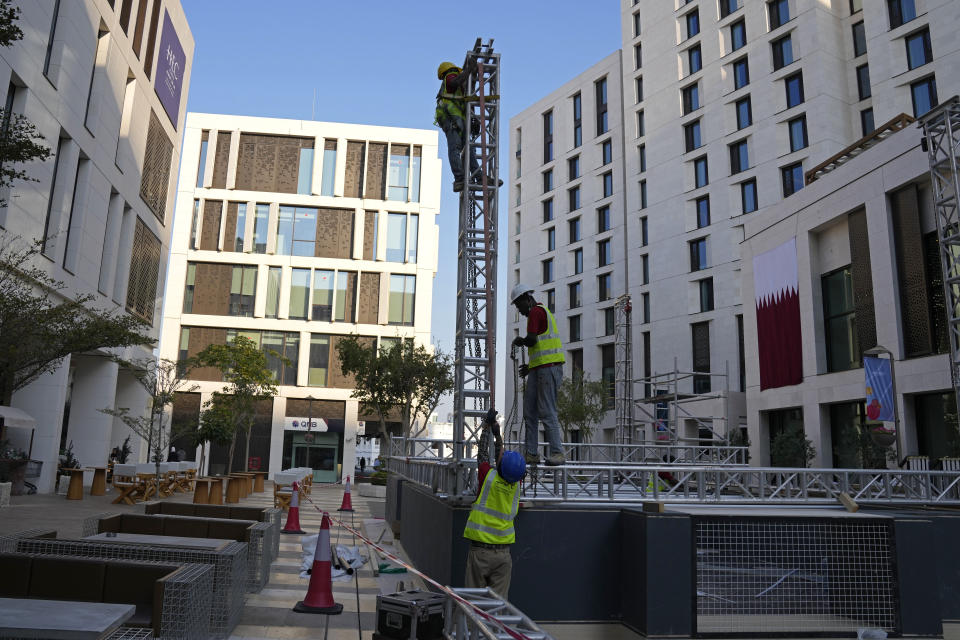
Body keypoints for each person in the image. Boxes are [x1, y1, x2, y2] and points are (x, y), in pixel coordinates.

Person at [510, 284, 565, 466]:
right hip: (540, 368)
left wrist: (520, 341)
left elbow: (532, 340)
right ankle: (532, 453)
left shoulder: (536, 312)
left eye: (519, 306)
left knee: (546, 411)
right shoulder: (539, 313)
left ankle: (557, 452)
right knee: (530, 412)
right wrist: (530, 367)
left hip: (548, 369)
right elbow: (539, 348)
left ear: (527, 299)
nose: (520, 311)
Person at [463, 449, 526, 598]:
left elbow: (482, 455)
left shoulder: (487, 476)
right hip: (503, 555)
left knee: (474, 602)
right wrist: (498, 437)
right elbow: (503, 466)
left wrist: (486, 429)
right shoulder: (516, 484)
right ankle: (492, 622)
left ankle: (473, 623)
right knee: (498, 605)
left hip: (480, 553)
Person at [434, 61, 474, 193]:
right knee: (456, 148)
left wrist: (474, 121)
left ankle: (478, 175)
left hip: (457, 120)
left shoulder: (459, 89)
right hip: (451, 120)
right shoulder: (450, 76)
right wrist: (468, 70)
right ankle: (459, 178)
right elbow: (454, 82)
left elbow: (467, 103)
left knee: (468, 150)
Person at [476, 407, 503, 486]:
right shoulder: (516, 484)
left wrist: (487, 426)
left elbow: (482, 451)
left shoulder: (488, 476)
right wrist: (498, 435)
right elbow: (500, 458)